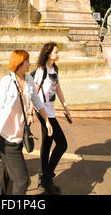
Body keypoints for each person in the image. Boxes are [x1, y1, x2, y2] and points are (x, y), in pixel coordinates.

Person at [0, 50, 53, 195]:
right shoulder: (6, 82)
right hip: (5, 138)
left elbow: (37, 102)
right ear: (19, 63)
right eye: (27, 61)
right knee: (22, 181)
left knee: (5, 169)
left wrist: (47, 121)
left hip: (18, 136)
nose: (30, 63)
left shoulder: (29, 80)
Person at [29, 42, 72, 195]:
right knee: (62, 144)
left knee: (47, 143)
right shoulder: (41, 70)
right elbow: (34, 93)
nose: (58, 54)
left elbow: (58, 89)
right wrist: (30, 112)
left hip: (51, 111)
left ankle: (44, 178)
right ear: (48, 54)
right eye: (56, 52)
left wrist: (66, 107)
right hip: (43, 112)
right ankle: (47, 175)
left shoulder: (55, 69)